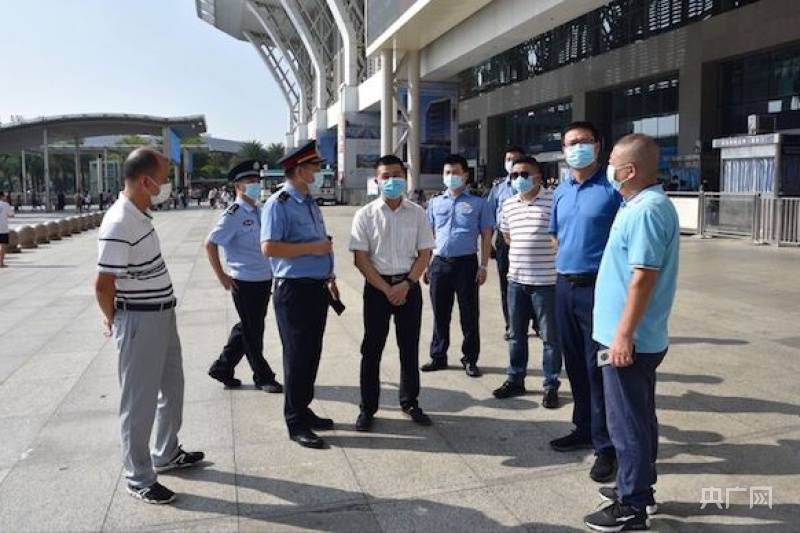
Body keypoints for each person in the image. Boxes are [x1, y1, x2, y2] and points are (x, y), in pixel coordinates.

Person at [93, 148, 204, 505]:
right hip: (139, 318)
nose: (169, 184)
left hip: (161, 313)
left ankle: (166, 452)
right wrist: (114, 317)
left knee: (172, 387)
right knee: (138, 402)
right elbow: (102, 282)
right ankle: (138, 476)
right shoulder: (119, 221)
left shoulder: (139, 214)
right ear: (146, 181)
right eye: (166, 176)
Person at [583, 134, 679, 531]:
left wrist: (622, 336)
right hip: (630, 336)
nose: (609, 170)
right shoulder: (638, 204)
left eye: (613, 164)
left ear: (631, 170)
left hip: (630, 341)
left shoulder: (646, 210)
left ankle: (632, 506)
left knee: (627, 423)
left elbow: (643, 278)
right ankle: (639, 487)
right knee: (637, 417)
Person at [548, 121, 621, 484]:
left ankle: (606, 446)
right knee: (574, 363)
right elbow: (557, 236)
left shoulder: (613, 190)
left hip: (598, 288)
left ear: (598, 145)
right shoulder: (561, 191)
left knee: (599, 369)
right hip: (564, 286)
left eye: (583, 141)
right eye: (570, 142)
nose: (576, 147)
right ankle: (583, 428)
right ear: (563, 150)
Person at [261, 140, 340, 449]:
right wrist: (314, 249)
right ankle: (294, 421)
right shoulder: (278, 203)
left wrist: (327, 270)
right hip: (293, 290)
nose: (319, 172)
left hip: (316, 286)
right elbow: (269, 247)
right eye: (315, 167)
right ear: (299, 169)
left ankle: (303, 407)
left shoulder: (309, 201)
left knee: (312, 352)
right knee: (296, 355)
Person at [348, 154, 435, 432]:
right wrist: (387, 288)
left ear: (405, 178)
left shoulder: (418, 213)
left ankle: (410, 401)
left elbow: (424, 253)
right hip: (377, 289)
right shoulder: (365, 215)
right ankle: (368, 408)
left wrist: (407, 284)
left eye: (397, 175)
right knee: (371, 349)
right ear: (377, 180)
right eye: (385, 176)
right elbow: (361, 259)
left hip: (409, 287)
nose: (392, 180)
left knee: (408, 348)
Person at [205, 160, 283, 394]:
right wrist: (222, 276)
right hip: (244, 281)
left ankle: (223, 366)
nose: (255, 186)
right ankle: (263, 376)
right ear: (238, 186)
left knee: (248, 326)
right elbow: (210, 244)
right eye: (250, 182)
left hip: (263, 278)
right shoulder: (233, 214)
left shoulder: (260, 210)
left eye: (257, 181)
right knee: (252, 331)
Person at [492, 157, 562, 408]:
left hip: (547, 282)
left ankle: (551, 384)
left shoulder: (554, 201)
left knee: (550, 338)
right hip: (516, 282)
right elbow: (507, 237)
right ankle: (515, 379)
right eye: (515, 175)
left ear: (538, 177)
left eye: (525, 173)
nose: (518, 178)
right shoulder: (508, 205)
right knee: (515, 335)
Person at [420, 154, 493, 378]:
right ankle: (438, 356)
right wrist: (425, 264)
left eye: (455, 172)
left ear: (465, 175)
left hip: (466, 264)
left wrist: (483, 266)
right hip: (440, 264)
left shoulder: (479, 203)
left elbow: (486, 235)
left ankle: (470, 358)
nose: (451, 177)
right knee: (440, 313)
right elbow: (427, 235)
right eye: (447, 173)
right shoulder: (434, 203)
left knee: (469, 315)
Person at [486, 146, 525, 340]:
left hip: (526, 239)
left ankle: (535, 323)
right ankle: (511, 324)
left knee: (531, 282)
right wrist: (490, 242)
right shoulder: (499, 188)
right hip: (504, 239)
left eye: (516, 159)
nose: (511, 162)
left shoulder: (531, 184)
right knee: (506, 283)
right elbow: (490, 215)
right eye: (509, 158)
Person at [0, 191, 14, 267]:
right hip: (3, 228)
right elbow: (12, 215)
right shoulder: (5, 205)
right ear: (2, 196)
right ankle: (1, 263)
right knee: (3, 245)